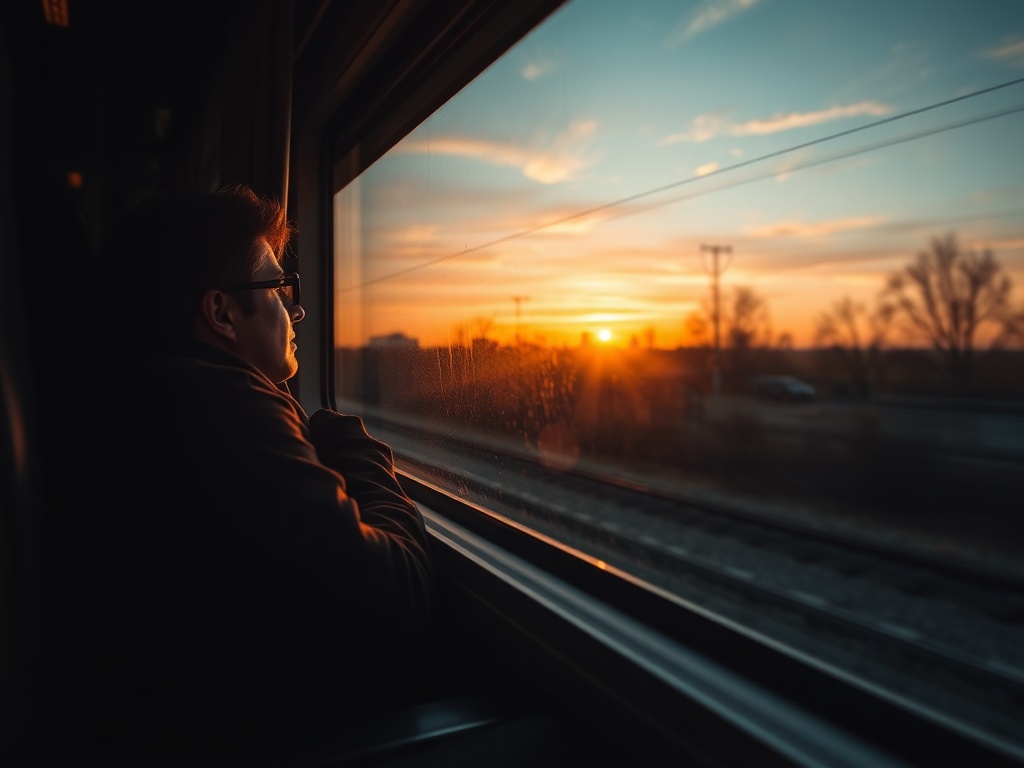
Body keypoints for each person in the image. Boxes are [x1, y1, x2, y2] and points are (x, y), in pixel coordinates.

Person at [39, 185, 434, 766]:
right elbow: (395, 595)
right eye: (278, 288)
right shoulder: (220, 402)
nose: (296, 309)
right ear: (221, 312)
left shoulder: (150, 391)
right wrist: (354, 445)